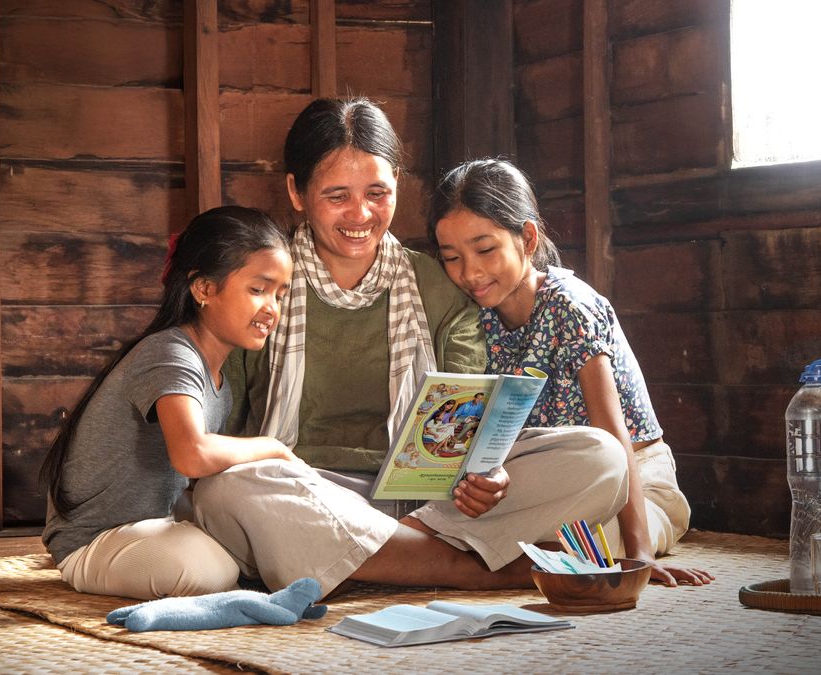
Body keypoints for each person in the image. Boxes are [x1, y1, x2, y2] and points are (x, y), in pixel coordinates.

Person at [192, 97, 628, 598]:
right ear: (296, 191)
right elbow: (220, 419)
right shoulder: (261, 283)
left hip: (426, 503)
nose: (361, 214)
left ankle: (373, 559)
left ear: (398, 181)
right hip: (301, 491)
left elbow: (470, 423)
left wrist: (488, 475)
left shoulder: (439, 285)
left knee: (600, 456)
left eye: (377, 191)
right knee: (225, 492)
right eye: (337, 196)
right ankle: (470, 570)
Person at [430, 158, 714, 587]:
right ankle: (502, 548)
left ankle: (500, 552)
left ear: (527, 238)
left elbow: (614, 438)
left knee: (598, 545)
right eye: (452, 257)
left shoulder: (570, 306)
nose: (469, 272)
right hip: (552, 478)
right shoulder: (474, 316)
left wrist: (638, 556)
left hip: (632, 481)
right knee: (511, 521)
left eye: (485, 250)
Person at [39, 206, 298, 599]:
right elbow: (191, 453)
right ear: (204, 289)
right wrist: (274, 448)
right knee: (208, 570)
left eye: (280, 294)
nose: (272, 309)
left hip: (154, 528)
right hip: (94, 544)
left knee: (256, 547)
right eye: (257, 290)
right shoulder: (169, 354)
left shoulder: (220, 384)